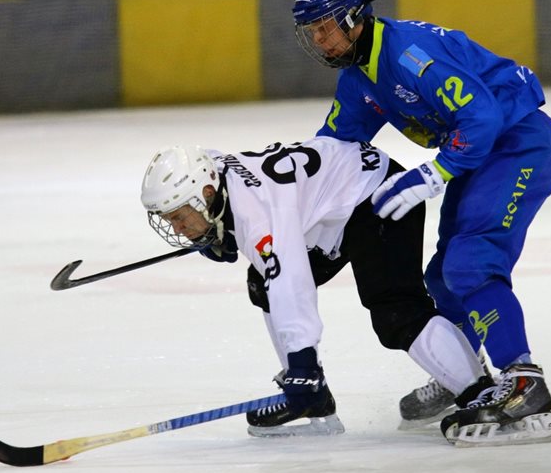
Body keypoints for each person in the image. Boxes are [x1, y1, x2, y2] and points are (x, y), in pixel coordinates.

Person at [291, 0, 551, 445]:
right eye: (312, 32)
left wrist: (436, 173)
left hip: (517, 142)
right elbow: (331, 153)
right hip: (482, 152)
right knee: (442, 275)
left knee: (471, 262)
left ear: (355, 17)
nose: (319, 41)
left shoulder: (410, 55)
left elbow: (481, 114)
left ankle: (524, 383)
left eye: (324, 28)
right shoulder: (359, 79)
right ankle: (466, 374)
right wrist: (274, 207)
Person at [140, 139, 493, 442]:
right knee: (261, 282)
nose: (179, 227)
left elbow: (290, 284)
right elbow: (230, 211)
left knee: (396, 311)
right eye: (172, 219)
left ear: (205, 194)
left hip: (377, 193)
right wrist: (216, 234)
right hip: (335, 207)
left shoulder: (259, 216)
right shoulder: (212, 175)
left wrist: (303, 362)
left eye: (180, 216)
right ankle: (314, 401)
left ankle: (483, 396)